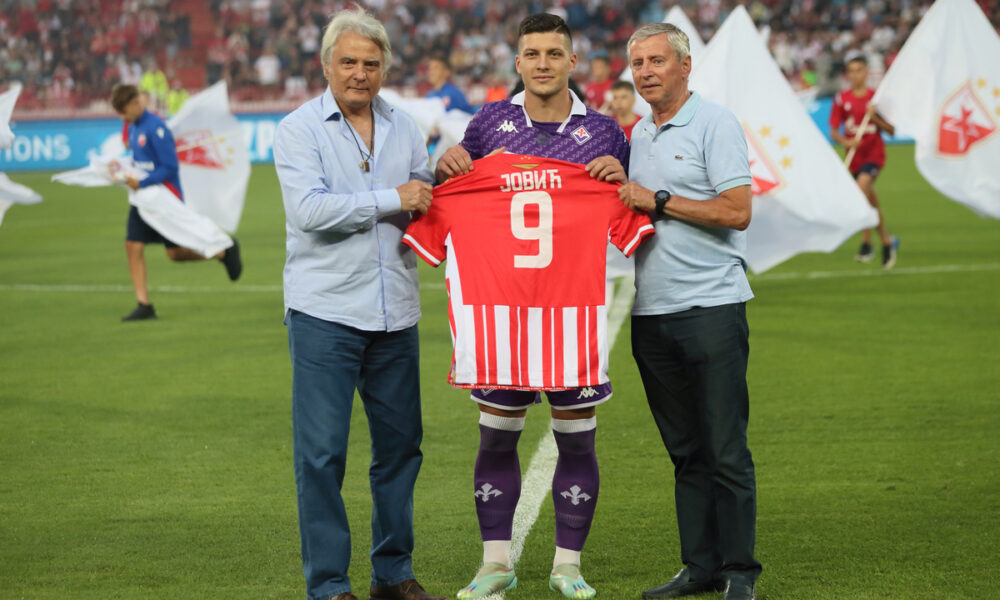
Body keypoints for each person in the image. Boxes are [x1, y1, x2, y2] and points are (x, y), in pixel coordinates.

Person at [435, 12, 628, 600]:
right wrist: (446, 165)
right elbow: (458, 188)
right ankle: (496, 562)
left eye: (554, 53)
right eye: (532, 54)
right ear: (517, 63)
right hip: (502, 317)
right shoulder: (490, 123)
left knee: (577, 440)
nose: (543, 63)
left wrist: (621, 177)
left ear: (573, 62)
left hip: (571, 317)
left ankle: (568, 566)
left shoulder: (602, 133)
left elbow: (630, 207)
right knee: (496, 437)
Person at [272, 8, 442, 600]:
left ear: (385, 67)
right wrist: (393, 196)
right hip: (326, 314)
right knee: (322, 456)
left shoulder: (406, 125)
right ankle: (329, 585)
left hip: (396, 311)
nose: (360, 74)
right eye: (348, 62)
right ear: (326, 66)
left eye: (371, 63)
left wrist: (445, 181)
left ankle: (392, 574)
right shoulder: (298, 129)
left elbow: (427, 202)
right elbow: (309, 212)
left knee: (401, 450)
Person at [616, 23, 760, 600]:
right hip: (652, 313)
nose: (646, 71)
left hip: (712, 307)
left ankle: (740, 572)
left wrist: (660, 201)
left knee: (725, 448)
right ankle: (699, 568)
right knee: (684, 451)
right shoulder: (636, 135)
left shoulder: (714, 122)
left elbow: (737, 211)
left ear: (684, 64)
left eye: (657, 60)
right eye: (638, 63)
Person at [111, 84, 242, 322]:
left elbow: (170, 167)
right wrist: (120, 170)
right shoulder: (133, 127)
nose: (122, 117)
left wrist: (144, 182)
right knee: (133, 245)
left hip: (164, 199)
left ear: (133, 104)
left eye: (123, 112)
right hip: (143, 199)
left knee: (175, 254)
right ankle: (144, 304)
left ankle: (223, 252)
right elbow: (138, 160)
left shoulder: (156, 128)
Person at [829, 54, 899, 268]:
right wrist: (846, 142)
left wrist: (875, 116)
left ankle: (866, 242)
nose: (854, 74)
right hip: (854, 158)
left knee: (860, 190)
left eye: (859, 70)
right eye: (851, 70)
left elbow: (892, 130)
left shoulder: (876, 98)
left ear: (867, 72)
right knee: (869, 201)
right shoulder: (842, 99)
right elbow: (834, 131)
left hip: (873, 155)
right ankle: (886, 241)